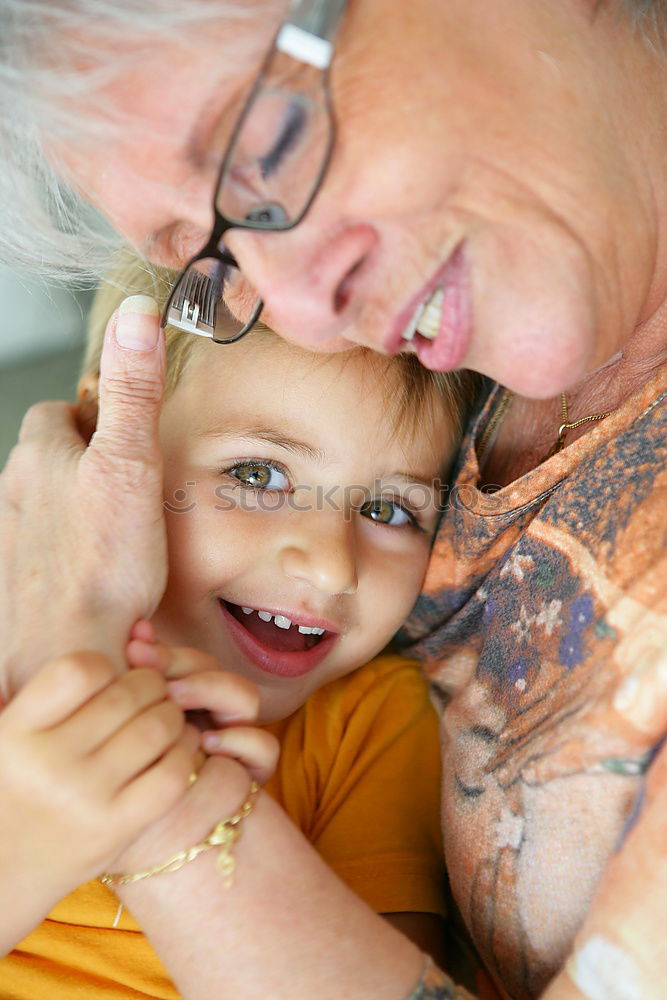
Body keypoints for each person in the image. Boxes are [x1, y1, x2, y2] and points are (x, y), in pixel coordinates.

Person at [0, 1, 666, 998]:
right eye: (210, 263)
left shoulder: (361, 727)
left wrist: (149, 782)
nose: (309, 317)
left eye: (261, 156)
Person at [0, 255, 482, 996]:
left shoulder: (370, 722)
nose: (330, 567)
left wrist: (190, 805)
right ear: (109, 436)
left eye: (389, 510)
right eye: (257, 475)